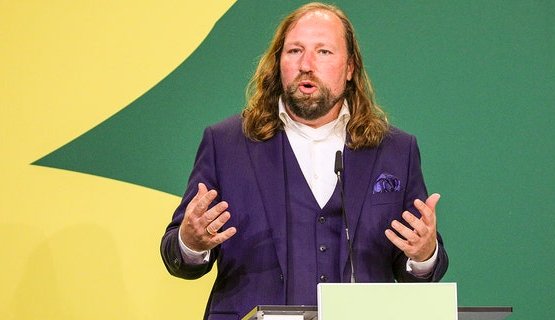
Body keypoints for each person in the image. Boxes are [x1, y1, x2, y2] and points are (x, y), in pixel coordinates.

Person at [160, 2, 448, 319]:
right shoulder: (225, 143)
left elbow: (420, 269)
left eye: (323, 52)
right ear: (279, 62)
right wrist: (191, 242)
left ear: (350, 68)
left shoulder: (395, 150)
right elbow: (177, 256)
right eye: (295, 51)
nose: (306, 64)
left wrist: (423, 255)